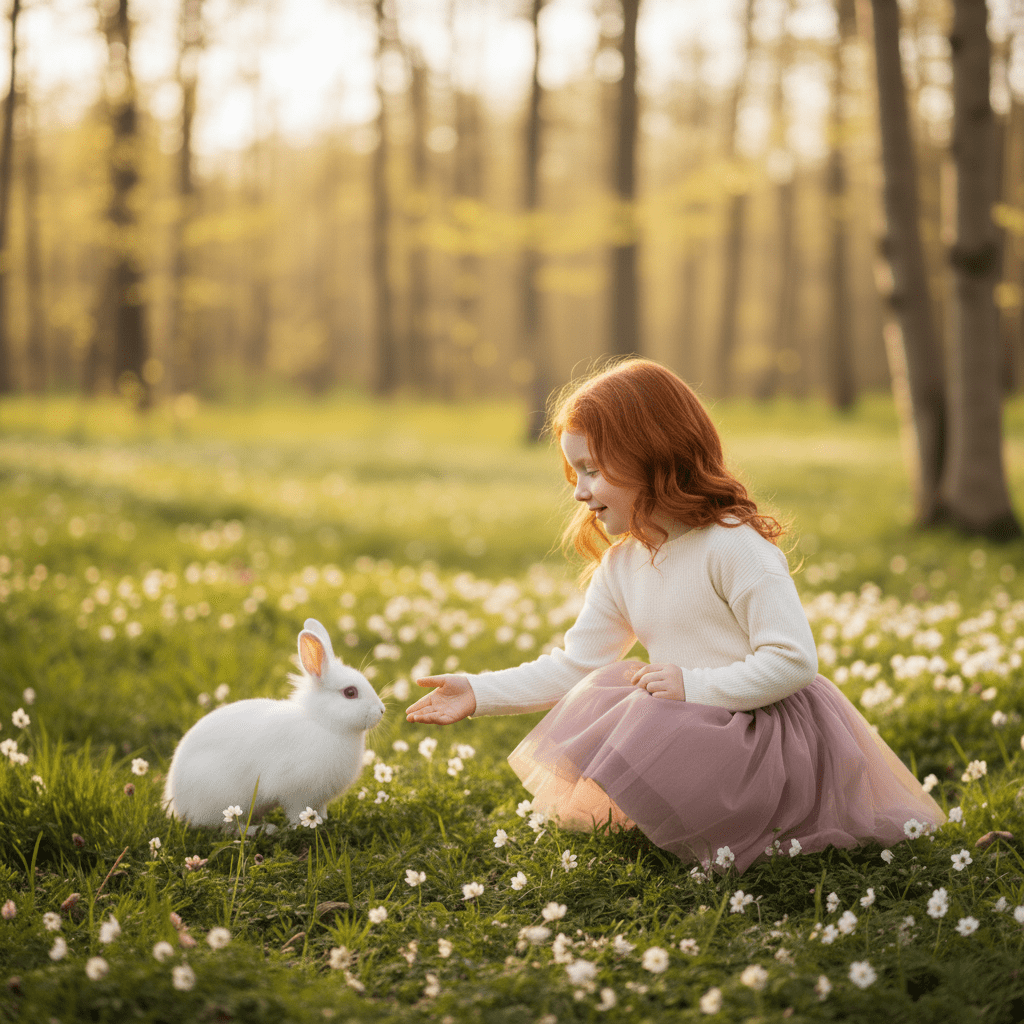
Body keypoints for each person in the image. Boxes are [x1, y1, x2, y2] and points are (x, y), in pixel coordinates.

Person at [406, 358, 944, 873]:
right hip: (688, 717)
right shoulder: (623, 564)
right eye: (574, 471)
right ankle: (692, 824)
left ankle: (743, 825)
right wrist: (479, 692)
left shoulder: (733, 547)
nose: (579, 491)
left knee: (653, 703)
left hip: (764, 729)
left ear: (653, 456)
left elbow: (793, 661)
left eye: (592, 470)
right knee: (614, 688)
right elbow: (576, 667)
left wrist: (692, 686)